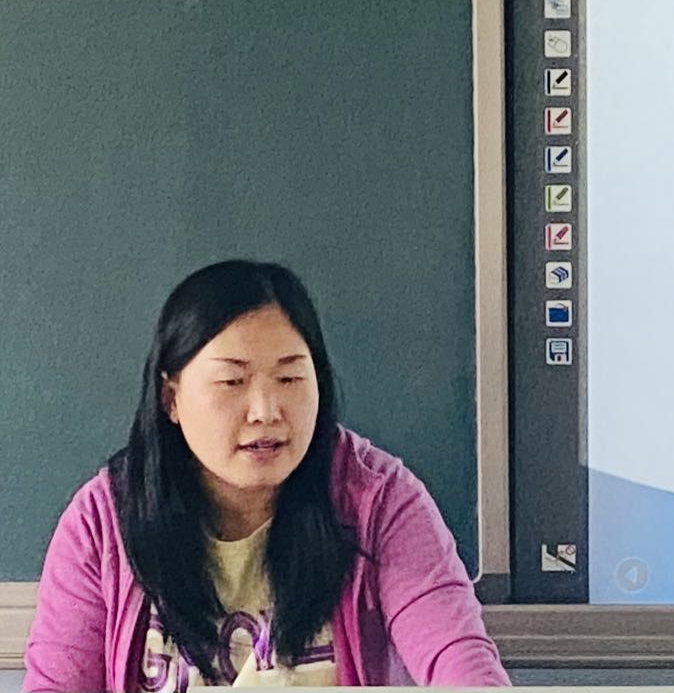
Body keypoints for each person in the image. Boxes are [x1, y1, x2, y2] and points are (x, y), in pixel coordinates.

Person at [25, 260, 509, 689]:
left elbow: (459, 659)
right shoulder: (102, 523)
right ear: (170, 398)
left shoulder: (378, 501)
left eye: (290, 378)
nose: (266, 411)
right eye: (232, 381)